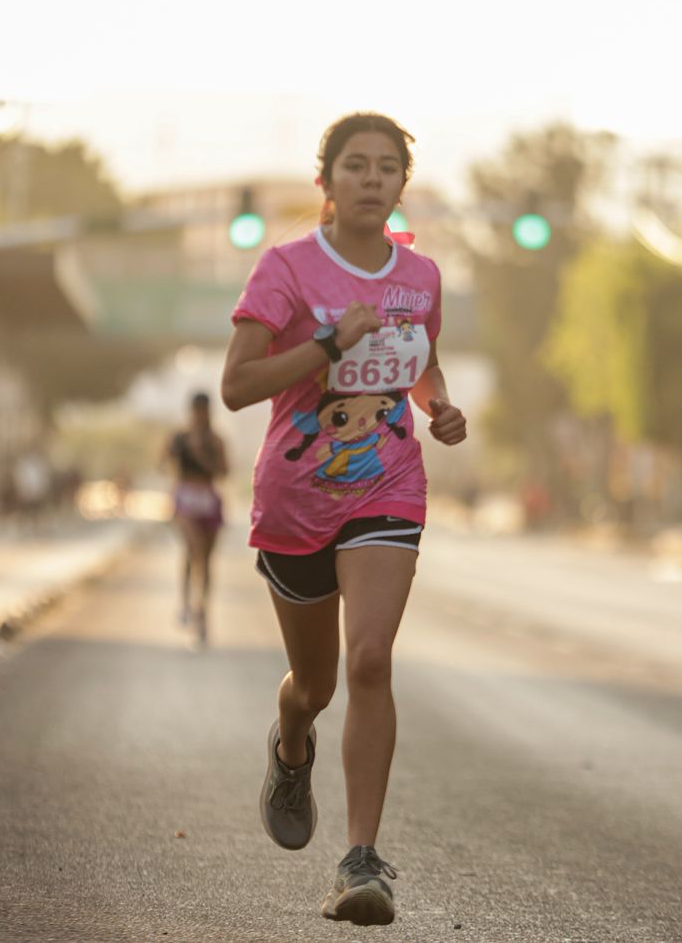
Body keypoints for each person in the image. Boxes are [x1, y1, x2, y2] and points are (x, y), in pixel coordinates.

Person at [221, 113, 467, 926]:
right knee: (316, 685)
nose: (371, 178)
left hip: (387, 486)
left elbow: (419, 362)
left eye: (386, 167)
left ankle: (362, 860)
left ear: (402, 183)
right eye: (355, 166)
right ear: (324, 182)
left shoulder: (421, 277)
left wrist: (439, 408)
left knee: (369, 662)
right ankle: (291, 742)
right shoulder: (287, 269)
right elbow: (238, 385)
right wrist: (327, 343)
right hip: (295, 501)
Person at [166, 392, 228, 646]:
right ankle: (185, 603)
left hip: (208, 498)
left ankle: (202, 611)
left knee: (206, 559)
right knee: (194, 549)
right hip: (186, 497)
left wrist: (202, 453)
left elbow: (224, 471)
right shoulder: (179, 438)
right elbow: (164, 463)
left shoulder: (215, 440)